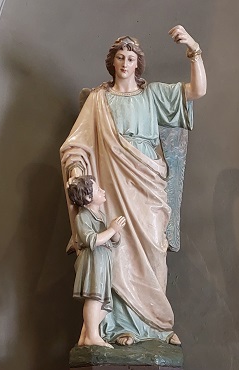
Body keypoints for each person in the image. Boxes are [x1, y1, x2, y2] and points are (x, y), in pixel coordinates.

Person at [60, 26, 206, 346]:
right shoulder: (99, 100)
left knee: (155, 248)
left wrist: (194, 50)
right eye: (120, 58)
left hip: (148, 180)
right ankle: (118, 327)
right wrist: (75, 171)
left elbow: (196, 91)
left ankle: (156, 326)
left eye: (131, 58)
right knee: (118, 251)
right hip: (111, 181)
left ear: (138, 64)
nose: (125, 63)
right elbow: (76, 146)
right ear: (112, 63)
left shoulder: (152, 95)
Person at [67, 175, 127, 347]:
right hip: (93, 261)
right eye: (98, 189)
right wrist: (111, 229)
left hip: (103, 262)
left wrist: (114, 231)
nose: (103, 191)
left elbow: (113, 241)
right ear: (87, 197)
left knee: (104, 301)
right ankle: (93, 336)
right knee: (95, 298)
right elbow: (91, 240)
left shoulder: (99, 215)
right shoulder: (83, 217)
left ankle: (85, 335)